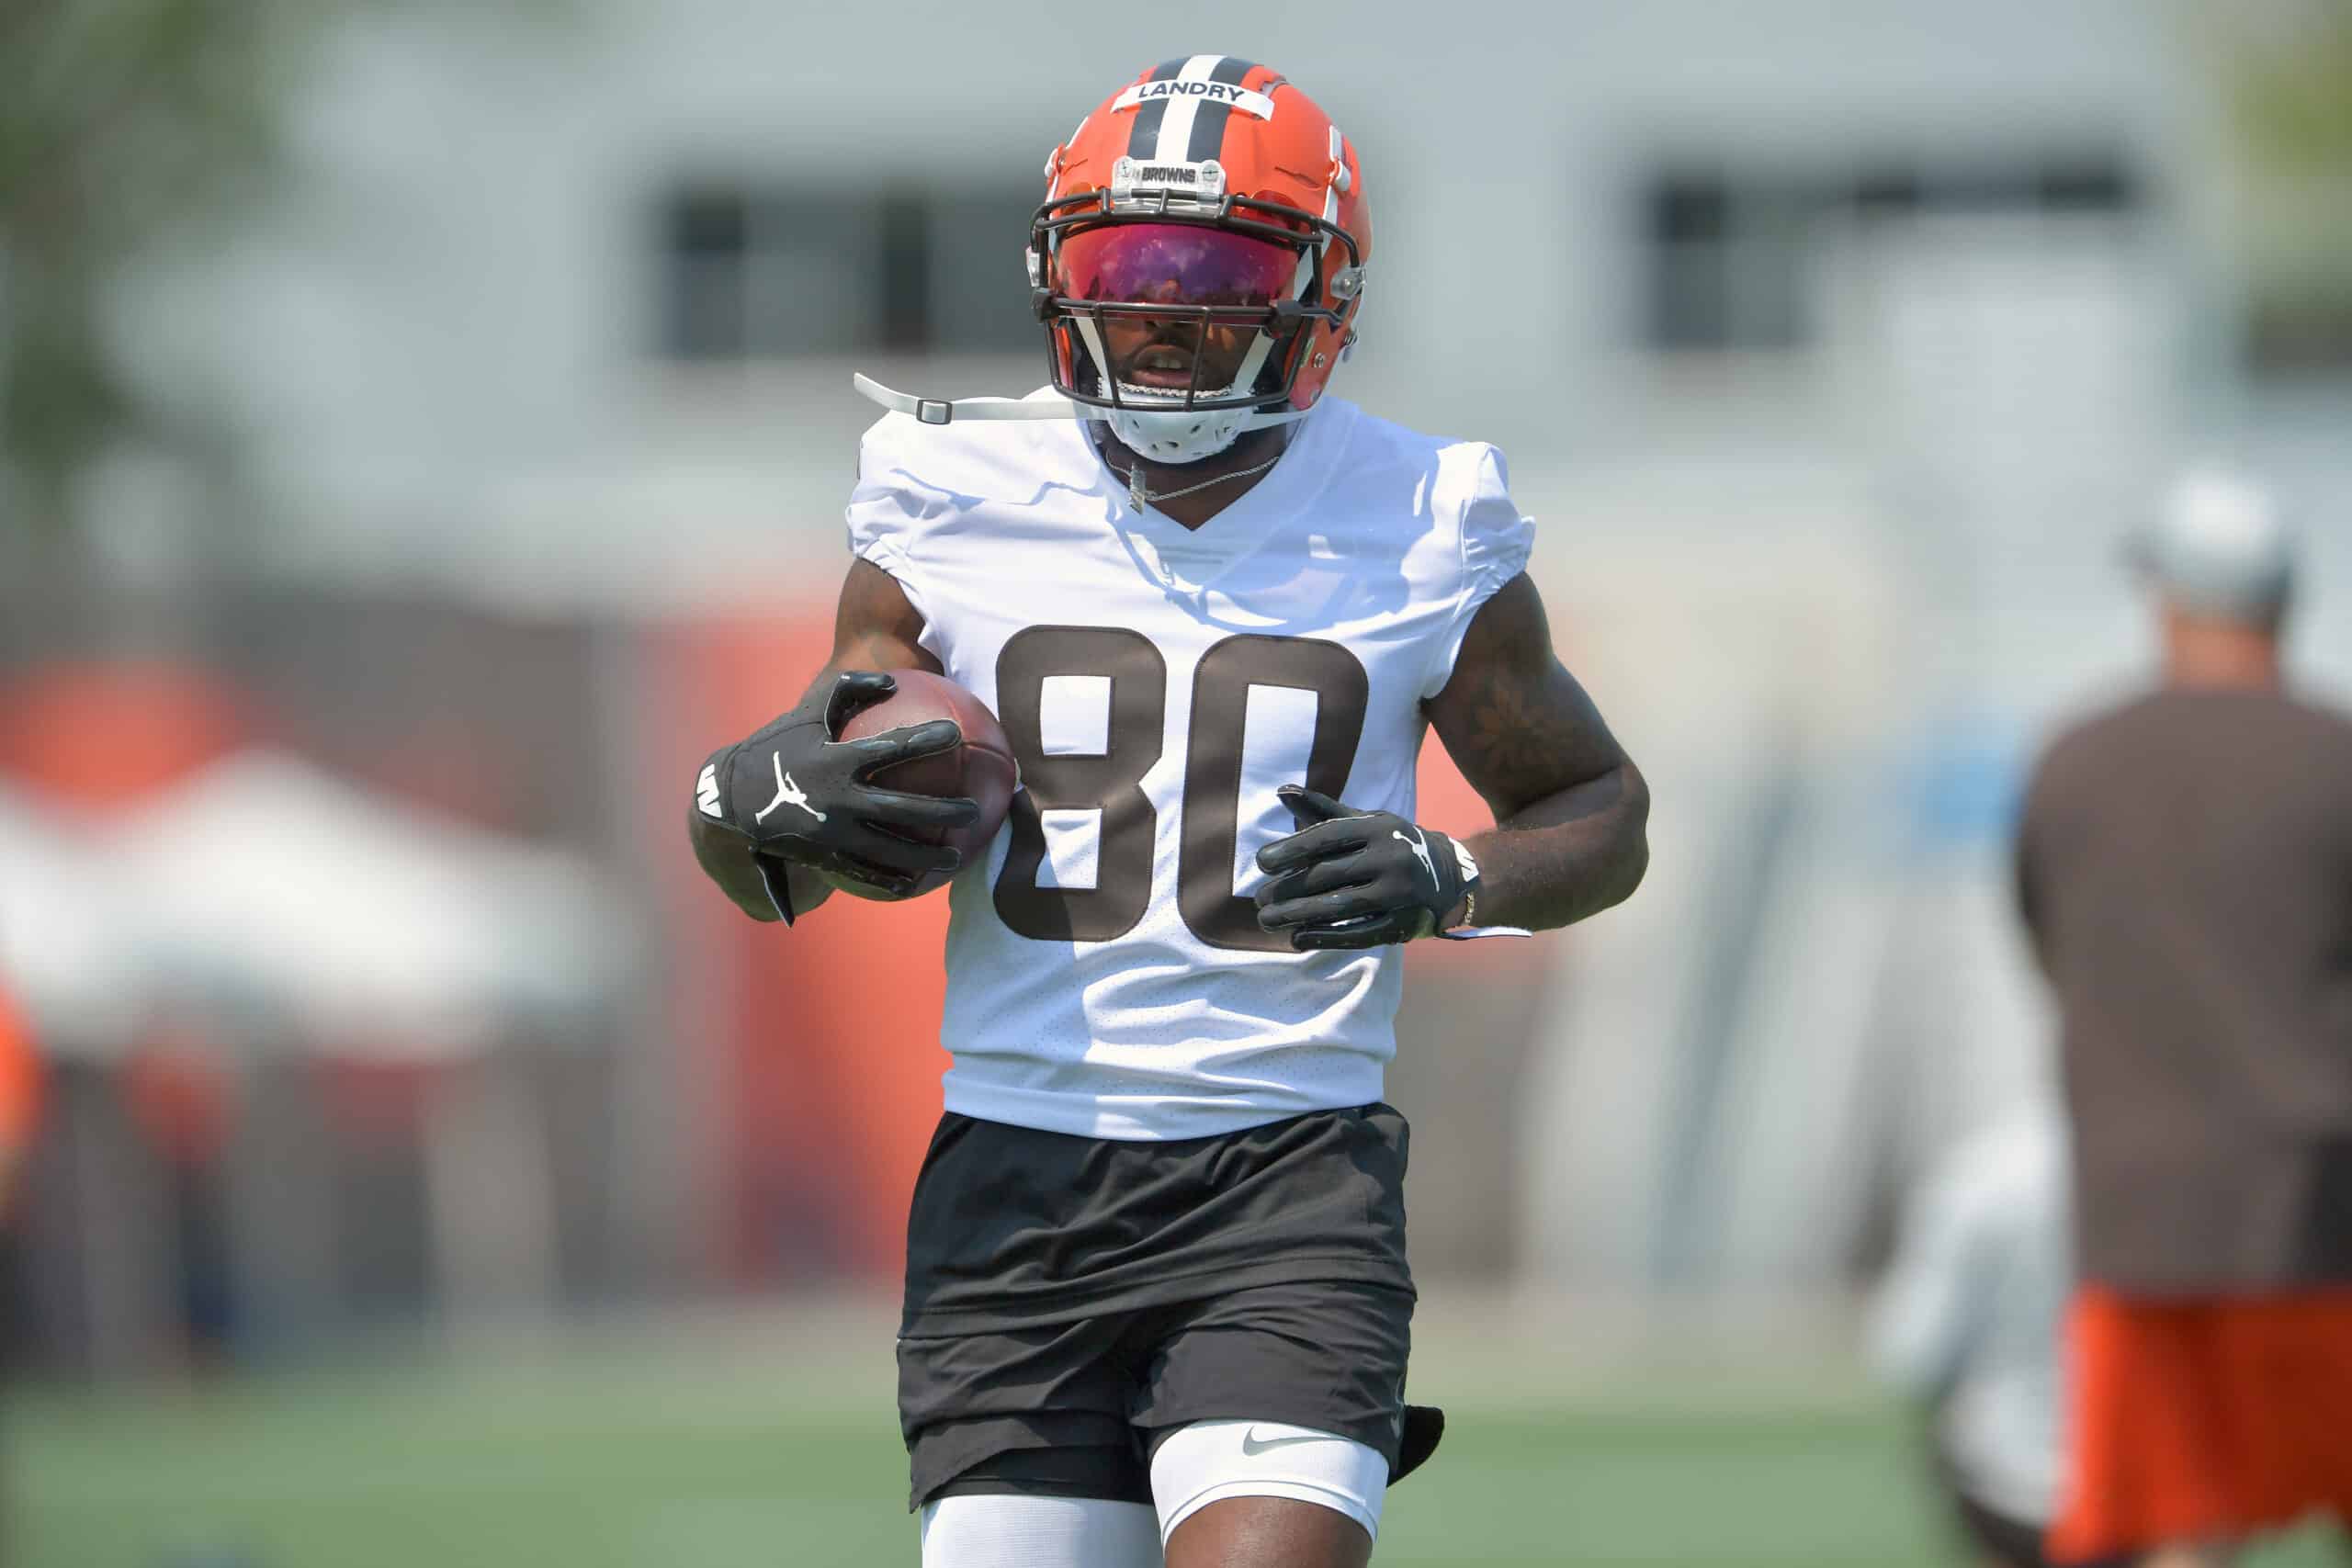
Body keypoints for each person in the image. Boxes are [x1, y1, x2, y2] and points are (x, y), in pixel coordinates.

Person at [686, 56, 1649, 1568]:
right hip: (1018, 1185)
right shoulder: (947, 491)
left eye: (1220, 269)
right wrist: (734, 809)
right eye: (1123, 264)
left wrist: (1453, 872)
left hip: (1287, 1179)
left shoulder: (1422, 514)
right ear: (1053, 273)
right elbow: (793, 857)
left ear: (1323, 289)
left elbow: (1601, 812)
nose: (1164, 310)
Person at [2016, 468, 2352, 1568]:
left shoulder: (2076, 763)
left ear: (2166, 603)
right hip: (2322, 1212)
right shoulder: (2334, 760)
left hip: (2141, 1218)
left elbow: (2045, 942)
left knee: (2174, 1533)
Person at [1871, 1100, 2081, 1568]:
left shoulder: (1978, 1176)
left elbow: (1911, 1358)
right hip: (2140, 1486)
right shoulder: (2169, 1175)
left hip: (2002, 1481)